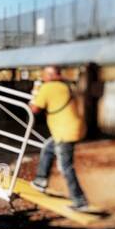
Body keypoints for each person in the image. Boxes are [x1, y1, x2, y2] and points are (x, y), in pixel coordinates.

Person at [29, 65, 88, 209]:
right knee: (48, 148)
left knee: (65, 167)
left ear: (50, 75)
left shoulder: (48, 88)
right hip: (74, 127)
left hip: (64, 132)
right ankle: (41, 180)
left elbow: (34, 109)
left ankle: (79, 200)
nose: (42, 77)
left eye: (44, 74)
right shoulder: (65, 85)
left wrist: (36, 90)